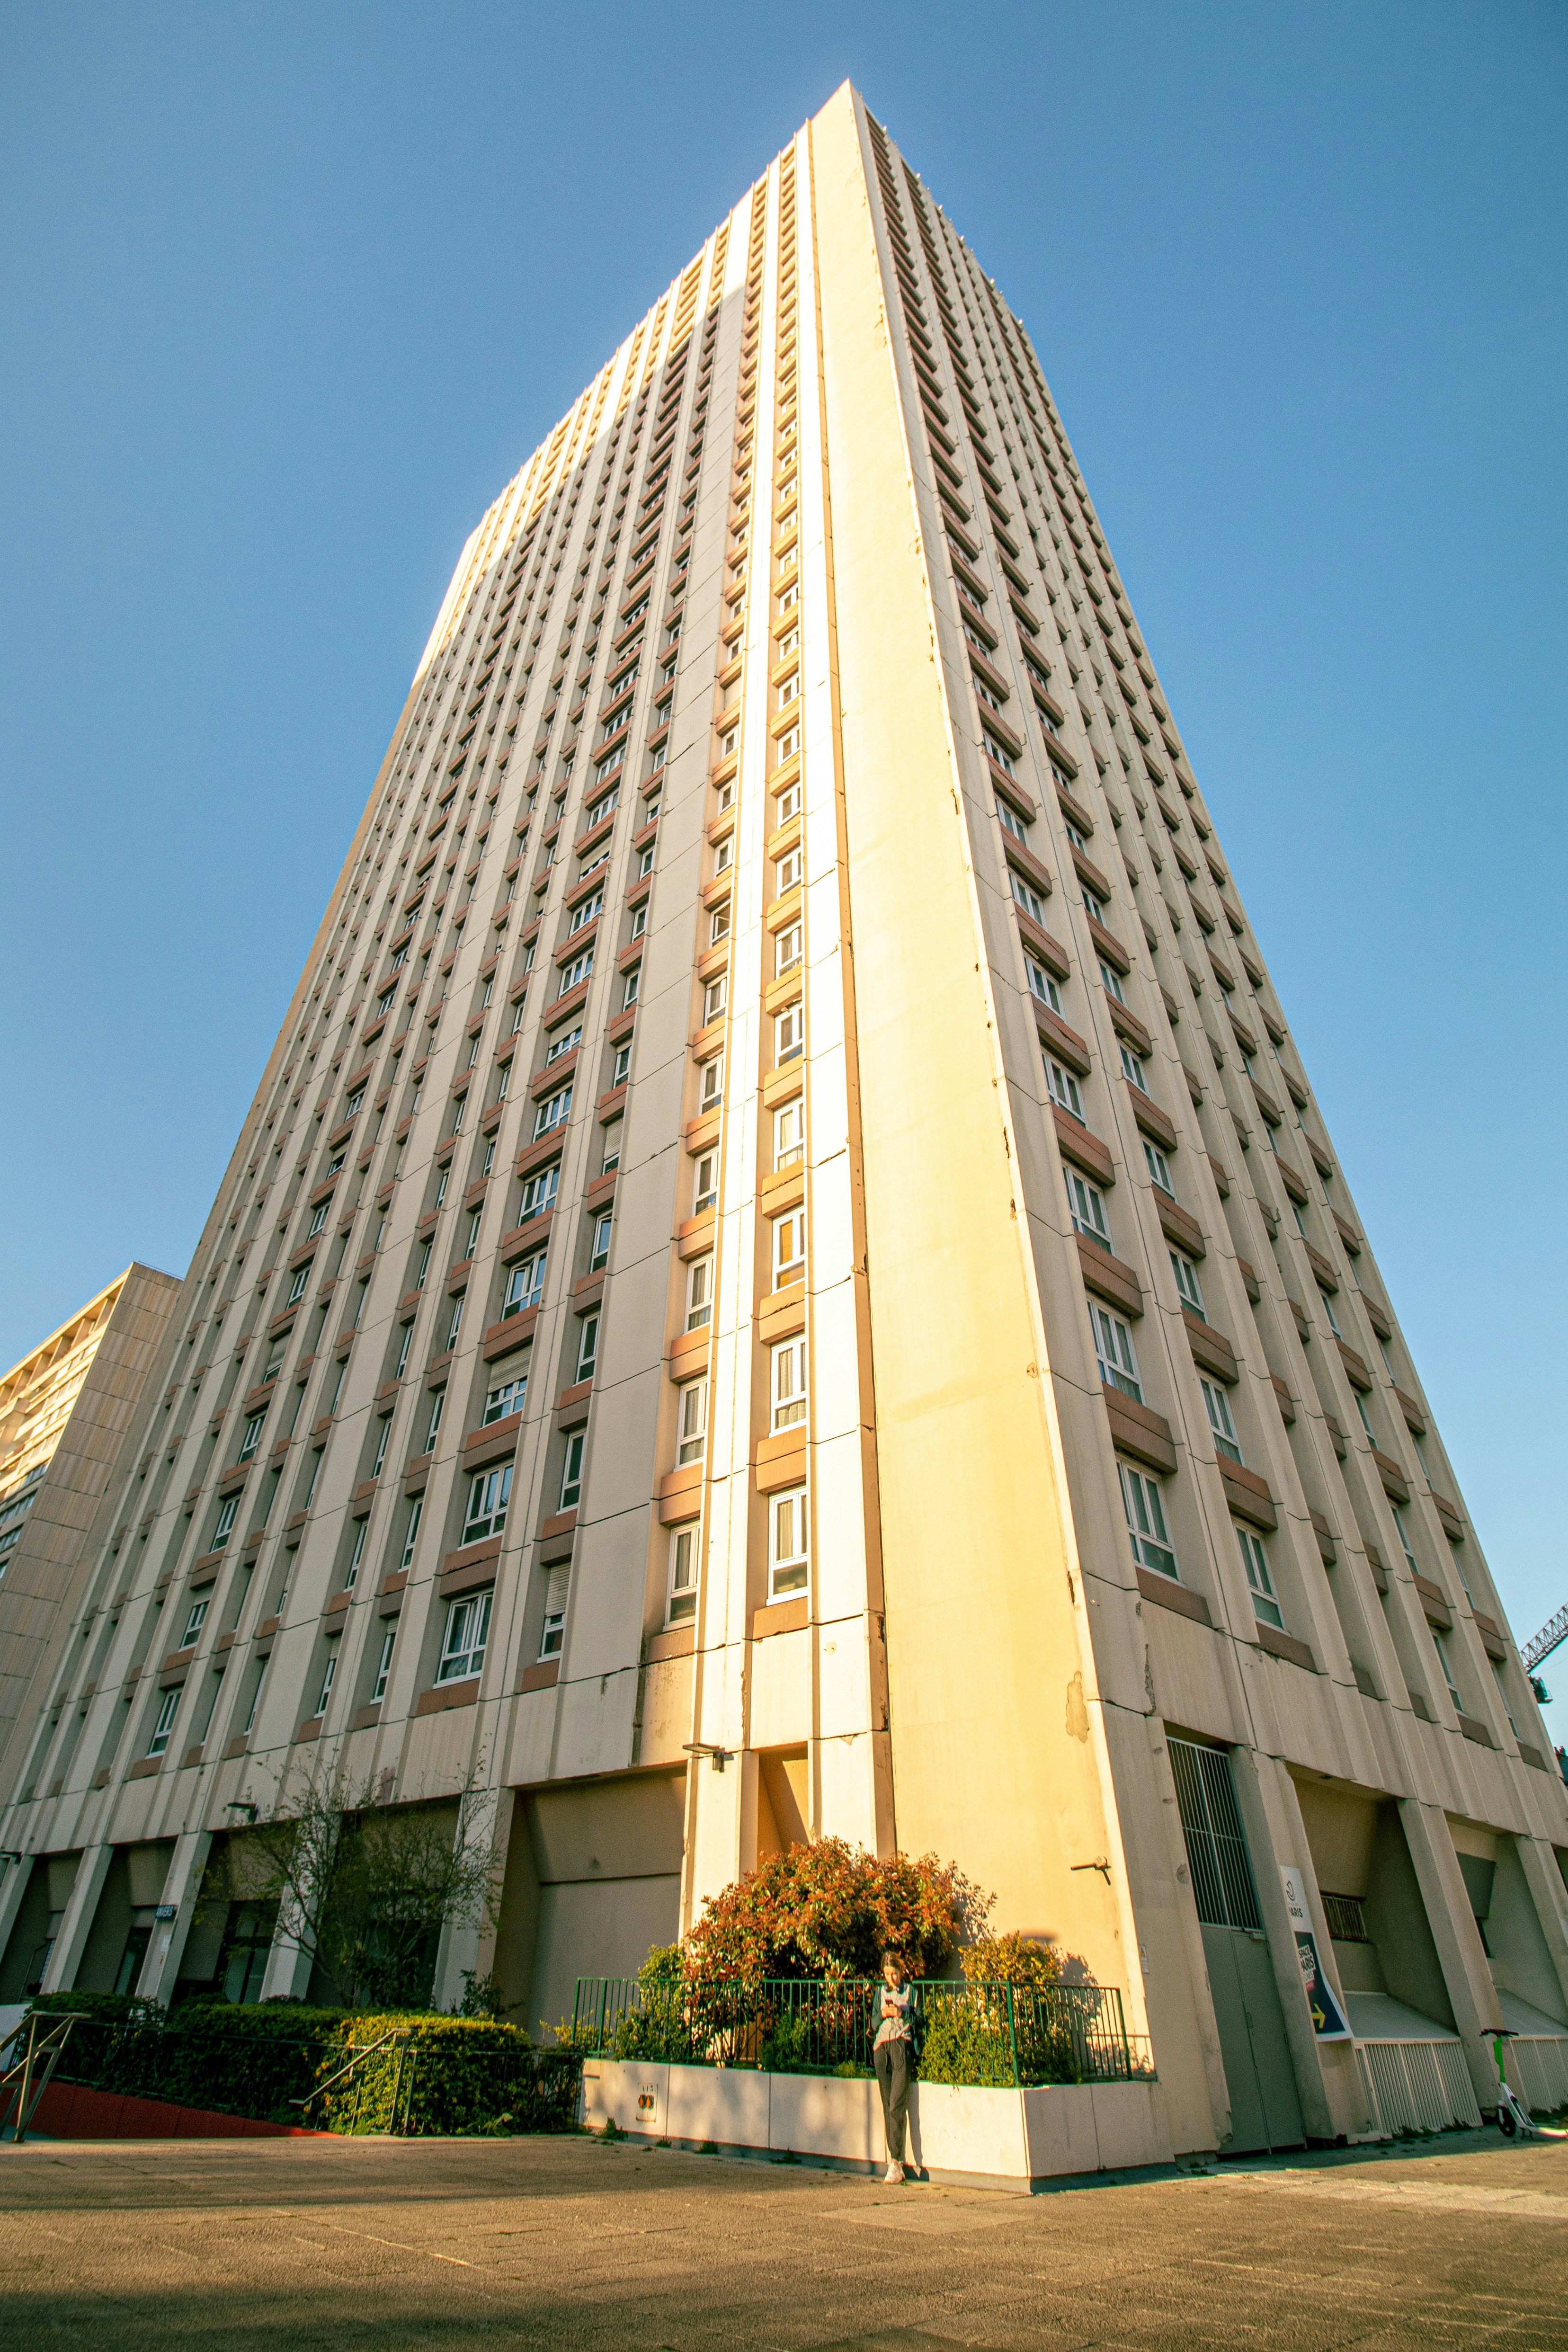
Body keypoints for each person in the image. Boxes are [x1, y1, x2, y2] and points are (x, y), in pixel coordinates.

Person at [873, 1950, 914, 2183]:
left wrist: (902, 2012)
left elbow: (919, 2019)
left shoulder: (911, 1992)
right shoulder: (880, 1992)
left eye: (895, 1974)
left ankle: (896, 2162)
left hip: (901, 2046)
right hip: (882, 2048)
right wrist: (882, 2013)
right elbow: (874, 2022)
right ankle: (895, 2161)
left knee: (897, 2104)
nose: (891, 1979)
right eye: (887, 1975)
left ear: (901, 1971)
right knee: (887, 2104)